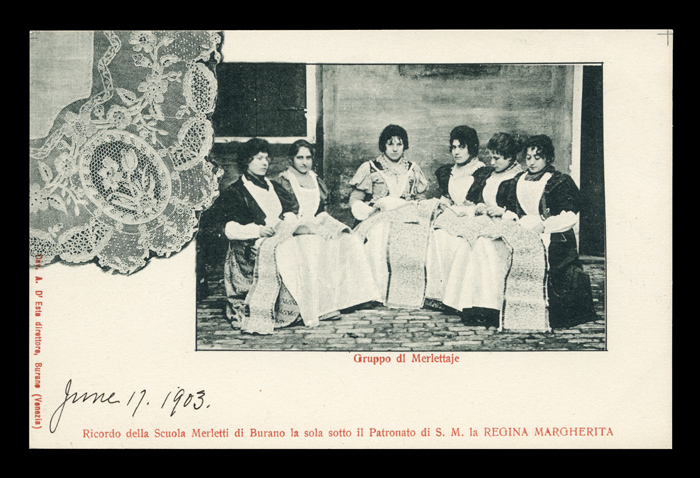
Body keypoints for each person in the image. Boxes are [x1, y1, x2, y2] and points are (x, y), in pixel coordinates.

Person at [495, 134, 596, 328]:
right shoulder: (518, 180)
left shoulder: (559, 181)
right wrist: (512, 220)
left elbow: (570, 216)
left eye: (537, 157)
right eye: (528, 157)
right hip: (524, 228)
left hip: (554, 233)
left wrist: (545, 225)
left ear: (548, 158)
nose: (531, 162)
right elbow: (513, 210)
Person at [439, 132, 524, 325]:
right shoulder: (489, 174)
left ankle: (488, 306)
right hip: (486, 223)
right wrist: (480, 206)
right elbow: (477, 198)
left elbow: (520, 211)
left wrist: (502, 211)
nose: (492, 162)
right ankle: (463, 302)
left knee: (482, 246)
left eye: (497, 158)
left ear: (510, 158)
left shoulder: (517, 178)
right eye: (491, 157)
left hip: (506, 227)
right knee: (465, 244)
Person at [348, 125, 435, 308]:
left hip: (406, 216)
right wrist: (367, 211)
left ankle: (410, 292)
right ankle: (376, 293)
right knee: (378, 236)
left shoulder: (412, 169)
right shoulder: (371, 168)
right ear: (383, 145)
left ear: (405, 146)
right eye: (390, 144)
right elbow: (356, 198)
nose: (395, 149)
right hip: (380, 216)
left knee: (421, 237)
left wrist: (421, 207)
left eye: (399, 144)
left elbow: (420, 197)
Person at [425, 125, 485, 303]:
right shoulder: (448, 172)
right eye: (454, 147)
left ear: (471, 147)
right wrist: (442, 205)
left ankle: (457, 297)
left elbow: (483, 202)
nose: (456, 152)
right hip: (452, 216)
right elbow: (447, 198)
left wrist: (467, 210)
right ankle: (439, 294)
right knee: (437, 235)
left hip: (472, 217)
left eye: (462, 147)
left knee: (458, 242)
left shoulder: (482, 172)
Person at [276, 139, 329, 219]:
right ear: (291, 159)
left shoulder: (316, 179)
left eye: (308, 158)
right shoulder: (285, 180)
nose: (304, 163)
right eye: (300, 158)